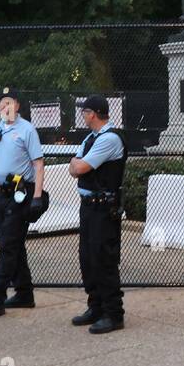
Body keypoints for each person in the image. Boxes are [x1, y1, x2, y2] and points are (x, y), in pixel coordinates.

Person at [0, 87, 47, 322]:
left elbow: (38, 164)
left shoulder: (27, 130)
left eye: (9, 102)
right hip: (0, 195)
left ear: (17, 104)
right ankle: (24, 293)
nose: (5, 107)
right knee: (13, 244)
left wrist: (36, 196)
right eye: (1, 104)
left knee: (8, 246)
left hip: (19, 196)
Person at [68, 95, 127, 334]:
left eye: (84, 111)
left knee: (104, 260)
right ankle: (96, 306)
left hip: (104, 208)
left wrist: (77, 163)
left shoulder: (109, 139)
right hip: (89, 206)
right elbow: (76, 167)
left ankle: (113, 313)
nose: (82, 115)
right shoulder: (91, 138)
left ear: (93, 113)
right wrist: (77, 163)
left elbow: (79, 167)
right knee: (88, 258)